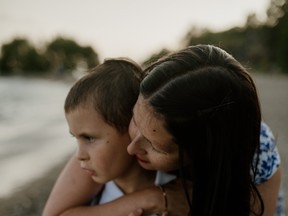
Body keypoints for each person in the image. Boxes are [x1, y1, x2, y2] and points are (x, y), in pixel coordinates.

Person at [43, 45, 282, 216]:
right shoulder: (123, 121)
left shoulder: (256, 155)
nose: (131, 146)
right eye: (135, 120)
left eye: (154, 145)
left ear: (197, 153)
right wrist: (155, 198)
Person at [43, 58, 182, 216]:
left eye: (89, 138)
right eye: (76, 138)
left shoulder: (180, 195)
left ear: (133, 127)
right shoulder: (95, 196)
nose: (79, 155)